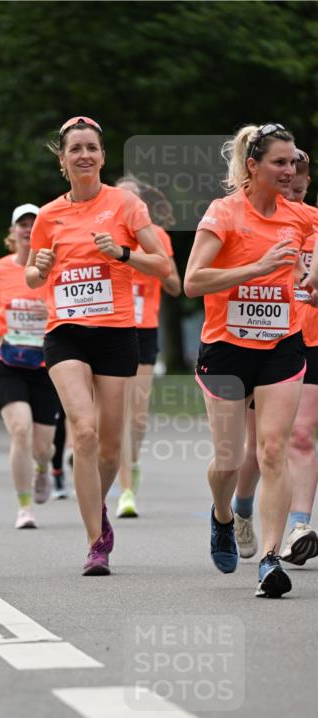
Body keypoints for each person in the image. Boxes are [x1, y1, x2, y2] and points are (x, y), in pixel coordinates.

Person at [26, 116, 171, 573]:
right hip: (65, 332)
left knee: (109, 447)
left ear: (103, 157)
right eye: (75, 149)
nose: (84, 155)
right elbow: (32, 275)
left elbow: (164, 264)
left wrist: (123, 253)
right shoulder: (48, 215)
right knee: (83, 431)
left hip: (115, 334)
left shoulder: (126, 205)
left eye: (92, 148)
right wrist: (42, 266)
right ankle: (95, 542)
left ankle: (100, 508)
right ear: (63, 159)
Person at [184, 124, 318, 597]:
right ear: (253, 166)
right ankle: (223, 516)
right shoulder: (224, 213)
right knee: (227, 458)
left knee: (273, 450)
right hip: (225, 348)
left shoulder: (300, 217)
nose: (288, 171)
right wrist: (258, 268)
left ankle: (270, 557)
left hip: (281, 345)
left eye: (292, 162)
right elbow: (193, 281)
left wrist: (314, 282)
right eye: (278, 163)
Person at [232, 149, 318, 565]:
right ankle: (242, 508)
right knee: (257, 449)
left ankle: (299, 527)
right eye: (289, 189)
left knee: (298, 437)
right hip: (263, 342)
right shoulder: (254, 220)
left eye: (302, 189)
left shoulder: (311, 221)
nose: (296, 197)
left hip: (309, 340)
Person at [0, 204, 59, 529]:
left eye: (34, 223)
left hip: (45, 362)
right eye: (22, 224)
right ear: (12, 233)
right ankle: (24, 507)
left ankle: (43, 468)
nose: (28, 229)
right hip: (7, 360)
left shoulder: (54, 267)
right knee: (20, 430)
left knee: (43, 447)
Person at [114, 176, 182, 517]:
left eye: (134, 200)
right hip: (111, 329)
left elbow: (175, 286)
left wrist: (145, 263)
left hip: (145, 329)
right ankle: (125, 489)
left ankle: (133, 466)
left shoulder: (158, 238)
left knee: (138, 417)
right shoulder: (103, 236)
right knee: (119, 414)